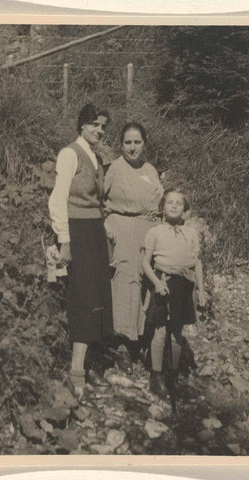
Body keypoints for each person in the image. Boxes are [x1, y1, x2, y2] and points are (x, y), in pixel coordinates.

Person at [49, 104, 113, 405]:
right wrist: (64, 240)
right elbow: (58, 199)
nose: (99, 130)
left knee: (98, 295)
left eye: (102, 126)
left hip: (94, 231)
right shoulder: (70, 153)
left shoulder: (97, 157)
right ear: (81, 126)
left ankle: (89, 364)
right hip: (76, 231)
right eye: (93, 125)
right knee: (84, 296)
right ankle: (76, 371)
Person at [104, 122, 164, 372]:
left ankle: (139, 339)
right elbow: (98, 200)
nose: (132, 147)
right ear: (121, 145)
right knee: (125, 283)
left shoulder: (150, 170)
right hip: (123, 228)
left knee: (145, 283)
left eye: (137, 142)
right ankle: (121, 345)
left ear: (144, 143)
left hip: (148, 232)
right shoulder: (114, 169)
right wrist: (106, 224)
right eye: (127, 142)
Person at [142, 188, 205, 398]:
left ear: (185, 209)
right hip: (163, 281)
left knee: (177, 332)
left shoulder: (191, 233)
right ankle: (157, 376)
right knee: (160, 331)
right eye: (170, 202)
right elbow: (145, 263)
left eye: (179, 203)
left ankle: (173, 376)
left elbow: (196, 263)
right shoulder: (155, 232)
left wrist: (201, 292)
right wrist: (156, 284)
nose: (174, 206)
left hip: (183, 284)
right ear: (163, 206)